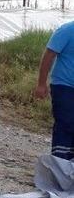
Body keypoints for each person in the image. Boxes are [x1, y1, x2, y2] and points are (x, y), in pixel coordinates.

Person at [34, 23, 74, 160]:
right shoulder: (67, 30)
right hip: (64, 85)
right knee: (66, 122)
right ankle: (60, 163)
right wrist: (41, 84)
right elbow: (49, 56)